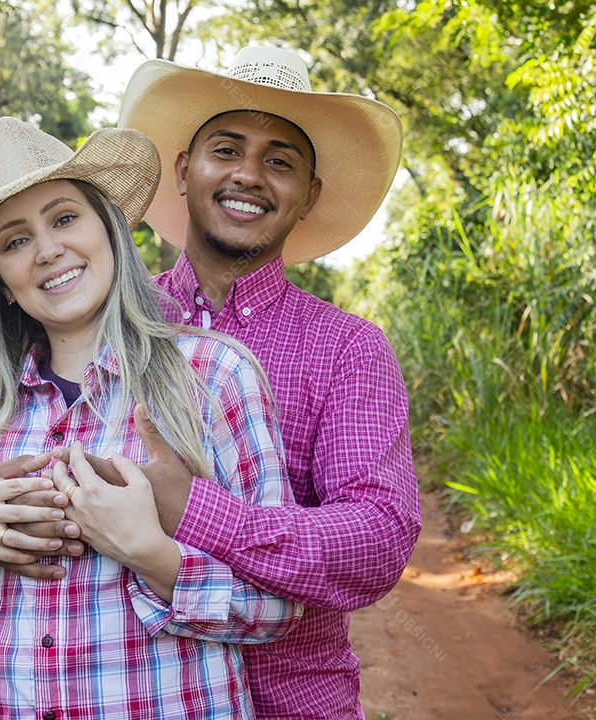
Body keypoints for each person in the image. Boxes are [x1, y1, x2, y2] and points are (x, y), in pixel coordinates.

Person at [0, 116, 304, 720]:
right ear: (2, 283)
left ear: (109, 230)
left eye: (64, 218)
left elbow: (276, 610)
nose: (48, 249)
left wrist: (146, 550)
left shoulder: (213, 377)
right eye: (14, 240)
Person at [108, 46, 422, 719]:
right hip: (123, 693)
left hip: (289, 701)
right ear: (186, 170)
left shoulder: (348, 349)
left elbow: (377, 537)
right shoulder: (111, 317)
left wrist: (195, 510)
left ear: (307, 196)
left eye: (280, 161)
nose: (249, 175)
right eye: (227, 149)